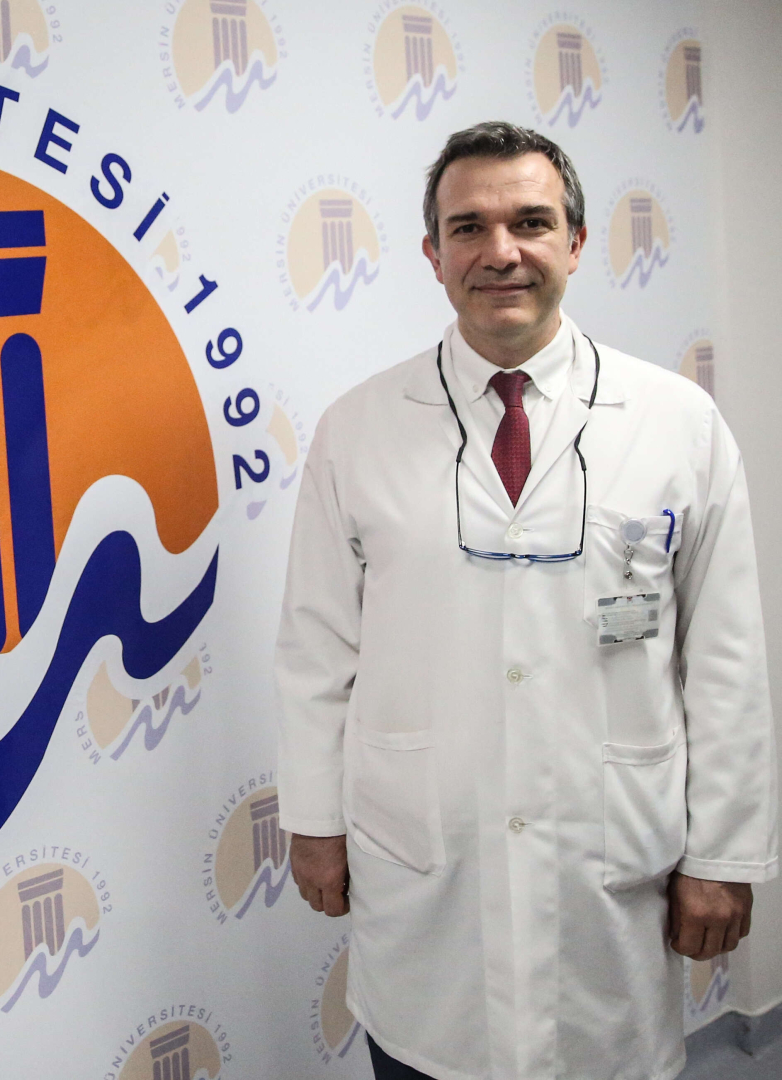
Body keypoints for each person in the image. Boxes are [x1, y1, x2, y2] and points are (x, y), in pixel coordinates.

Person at [275, 120, 778, 1080]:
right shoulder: (357, 429)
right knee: (427, 1054)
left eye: (530, 223)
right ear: (432, 255)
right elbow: (314, 649)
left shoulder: (677, 422)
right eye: (467, 227)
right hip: (423, 873)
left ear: (575, 243)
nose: (499, 252)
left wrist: (722, 855)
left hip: (609, 877)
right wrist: (313, 820)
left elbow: (726, 657)